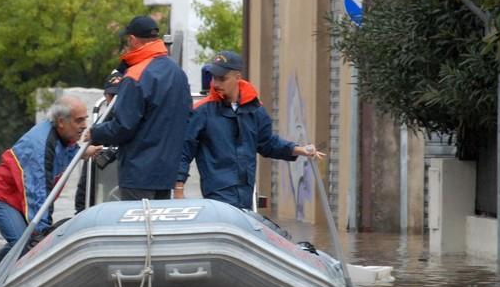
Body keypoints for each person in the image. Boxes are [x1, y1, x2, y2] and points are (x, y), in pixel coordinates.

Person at [0, 96, 99, 287]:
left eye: (85, 119)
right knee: (24, 241)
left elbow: (65, 153)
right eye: (79, 120)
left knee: (30, 242)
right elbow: (37, 194)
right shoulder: (40, 146)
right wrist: (41, 231)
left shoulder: (62, 136)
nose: (84, 125)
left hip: (21, 201)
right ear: (61, 121)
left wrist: (85, 153)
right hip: (1, 200)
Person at [174, 51, 324, 208]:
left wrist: (299, 150)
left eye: (222, 79)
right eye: (213, 78)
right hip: (217, 194)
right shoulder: (201, 111)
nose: (215, 84)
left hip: (246, 192)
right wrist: (178, 190)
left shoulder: (255, 110)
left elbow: (267, 143)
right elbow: (184, 150)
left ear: (237, 77)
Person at [87, 15, 192, 200]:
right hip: (166, 173)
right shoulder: (178, 74)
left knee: (138, 227)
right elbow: (186, 118)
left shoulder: (136, 75)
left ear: (133, 40)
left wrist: (95, 133)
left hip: (138, 173)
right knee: (158, 226)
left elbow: (123, 126)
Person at [75, 70, 122, 212]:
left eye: (119, 95)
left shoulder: (136, 121)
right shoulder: (101, 125)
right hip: (109, 181)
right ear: (105, 96)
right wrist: (81, 211)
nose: (115, 100)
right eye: (112, 95)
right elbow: (87, 177)